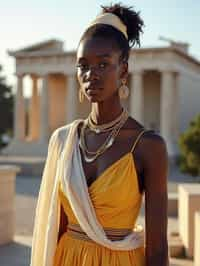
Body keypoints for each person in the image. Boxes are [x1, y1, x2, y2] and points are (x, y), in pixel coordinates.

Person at [30, 3, 169, 266]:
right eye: (83, 65)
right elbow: (53, 228)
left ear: (123, 70)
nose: (91, 75)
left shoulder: (148, 145)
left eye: (103, 64)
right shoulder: (63, 141)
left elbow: (158, 248)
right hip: (66, 258)